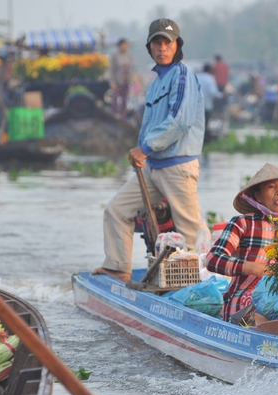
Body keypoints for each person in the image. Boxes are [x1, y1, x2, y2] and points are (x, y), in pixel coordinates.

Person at [93, 18, 207, 282]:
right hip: (154, 167)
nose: (162, 47)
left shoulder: (182, 74)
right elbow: (148, 125)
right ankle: (118, 266)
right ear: (149, 47)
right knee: (116, 210)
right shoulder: (156, 83)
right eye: (157, 42)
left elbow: (180, 120)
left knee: (190, 230)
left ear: (177, 45)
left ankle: (203, 283)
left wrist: (144, 148)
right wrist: (143, 153)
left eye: (167, 42)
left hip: (178, 166)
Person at [205, 163, 278, 323]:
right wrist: (252, 267)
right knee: (270, 308)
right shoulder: (243, 223)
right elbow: (212, 260)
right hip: (246, 301)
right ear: (258, 196)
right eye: (272, 187)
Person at [109, 38, 134, 119]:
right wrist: (112, 81)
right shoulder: (115, 56)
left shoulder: (128, 55)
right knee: (115, 99)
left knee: (125, 99)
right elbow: (111, 69)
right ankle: (113, 115)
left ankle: (123, 115)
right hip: (117, 80)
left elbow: (131, 68)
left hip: (126, 80)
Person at [196, 63, 220, 142]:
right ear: (210, 70)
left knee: (197, 125)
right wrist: (222, 95)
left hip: (195, 107)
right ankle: (205, 141)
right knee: (205, 124)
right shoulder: (210, 79)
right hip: (206, 106)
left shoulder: (197, 77)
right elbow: (213, 93)